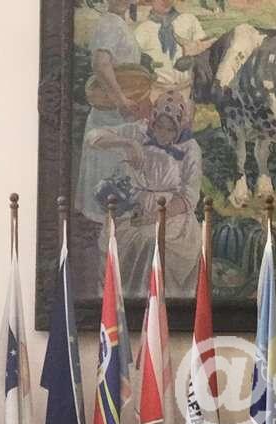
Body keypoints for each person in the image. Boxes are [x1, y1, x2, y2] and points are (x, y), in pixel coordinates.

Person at [86, 90, 202, 297]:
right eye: (159, 126)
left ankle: (156, 304)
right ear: (152, 121)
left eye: (170, 129)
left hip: (171, 212)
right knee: (123, 241)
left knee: (153, 243)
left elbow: (189, 196)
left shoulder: (190, 148)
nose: (163, 133)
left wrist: (155, 216)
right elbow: (92, 137)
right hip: (134, 206)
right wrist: (127, 143)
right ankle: (127, 303)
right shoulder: (138, 132)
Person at [74, 0, 151, 224]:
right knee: (107, 171)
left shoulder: (118, 23)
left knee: (120, 168)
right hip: (110, 112)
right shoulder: (109, 24)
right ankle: (104, 224)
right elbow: (101, 65)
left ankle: (115, 219)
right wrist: (121, 100)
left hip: (120, 113)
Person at [133, 0, 208, 104]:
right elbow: (134, 65)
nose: (166, 1)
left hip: (185, 92)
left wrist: (193, 57)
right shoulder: (142, 30)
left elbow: (205, 50)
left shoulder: (189, 21)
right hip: (156, 94)